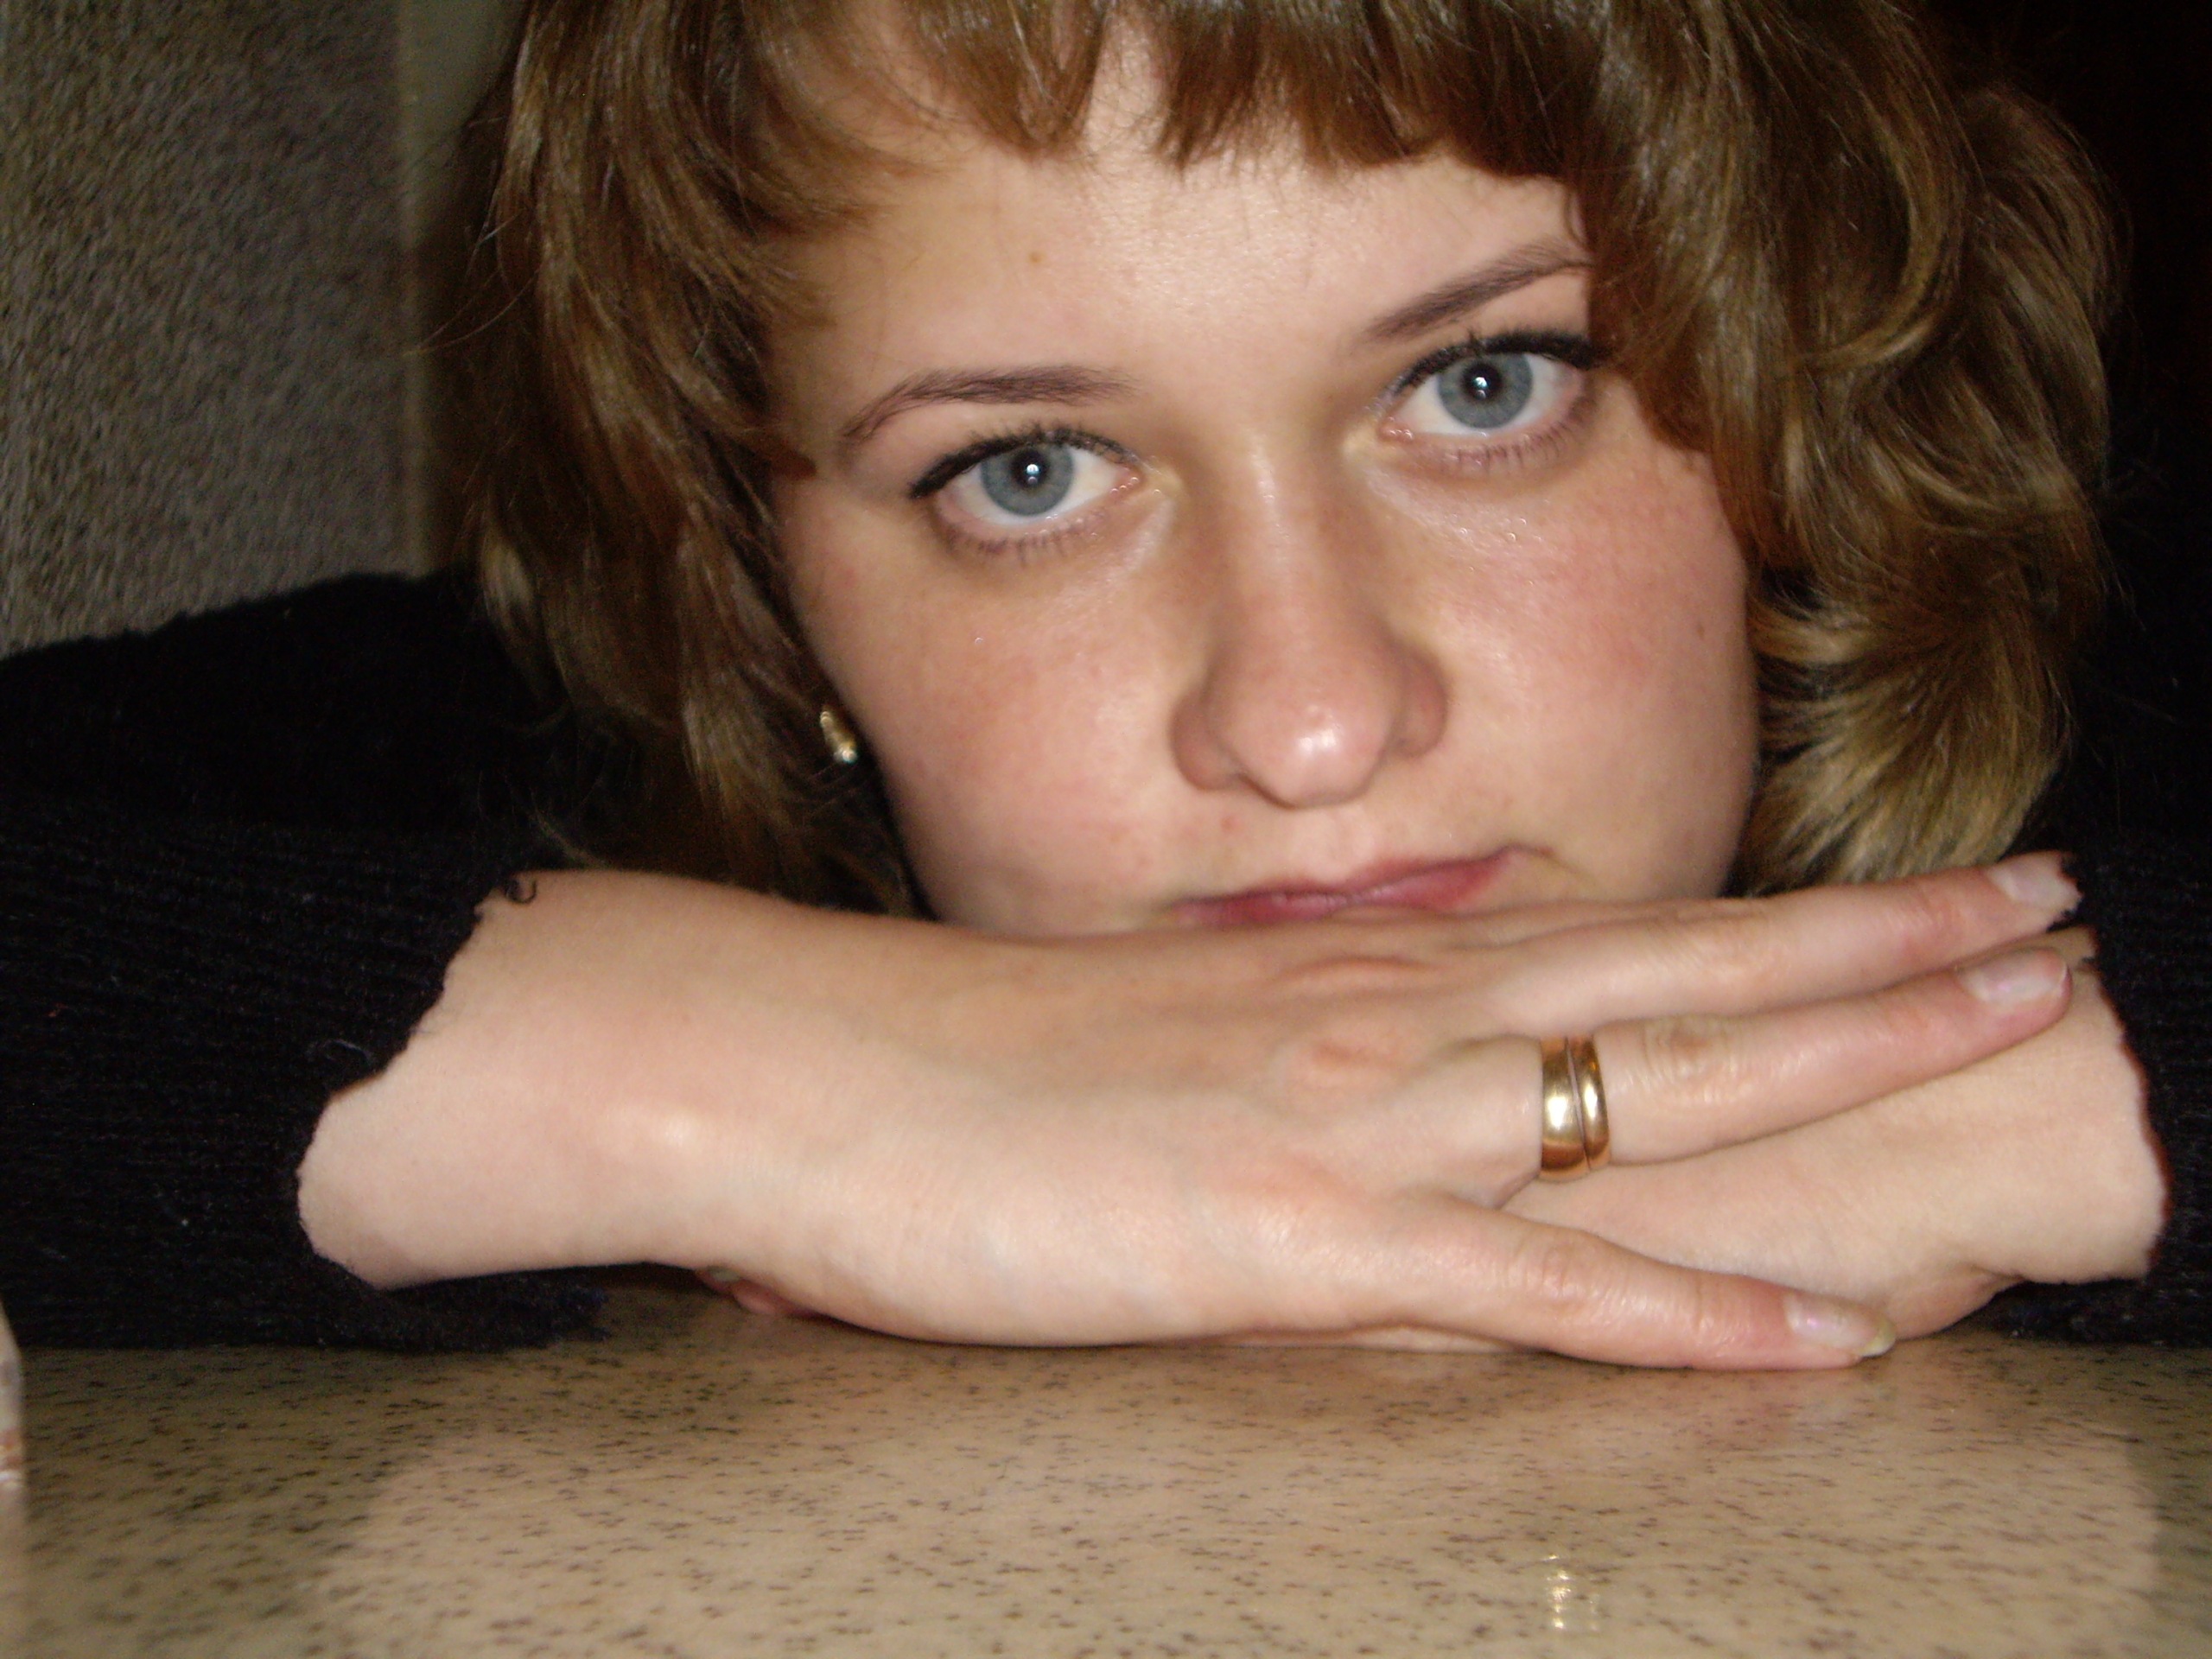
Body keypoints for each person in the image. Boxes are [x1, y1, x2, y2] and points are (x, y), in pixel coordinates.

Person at [2, 0, 2204, 1364]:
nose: (1310, 722)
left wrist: (2024, 1090)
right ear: (757, 579)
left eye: (1486, 382)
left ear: (1801, 407)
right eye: (1028, 472)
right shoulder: (567, 751)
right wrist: (769, 1085)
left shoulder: (2117, 648)